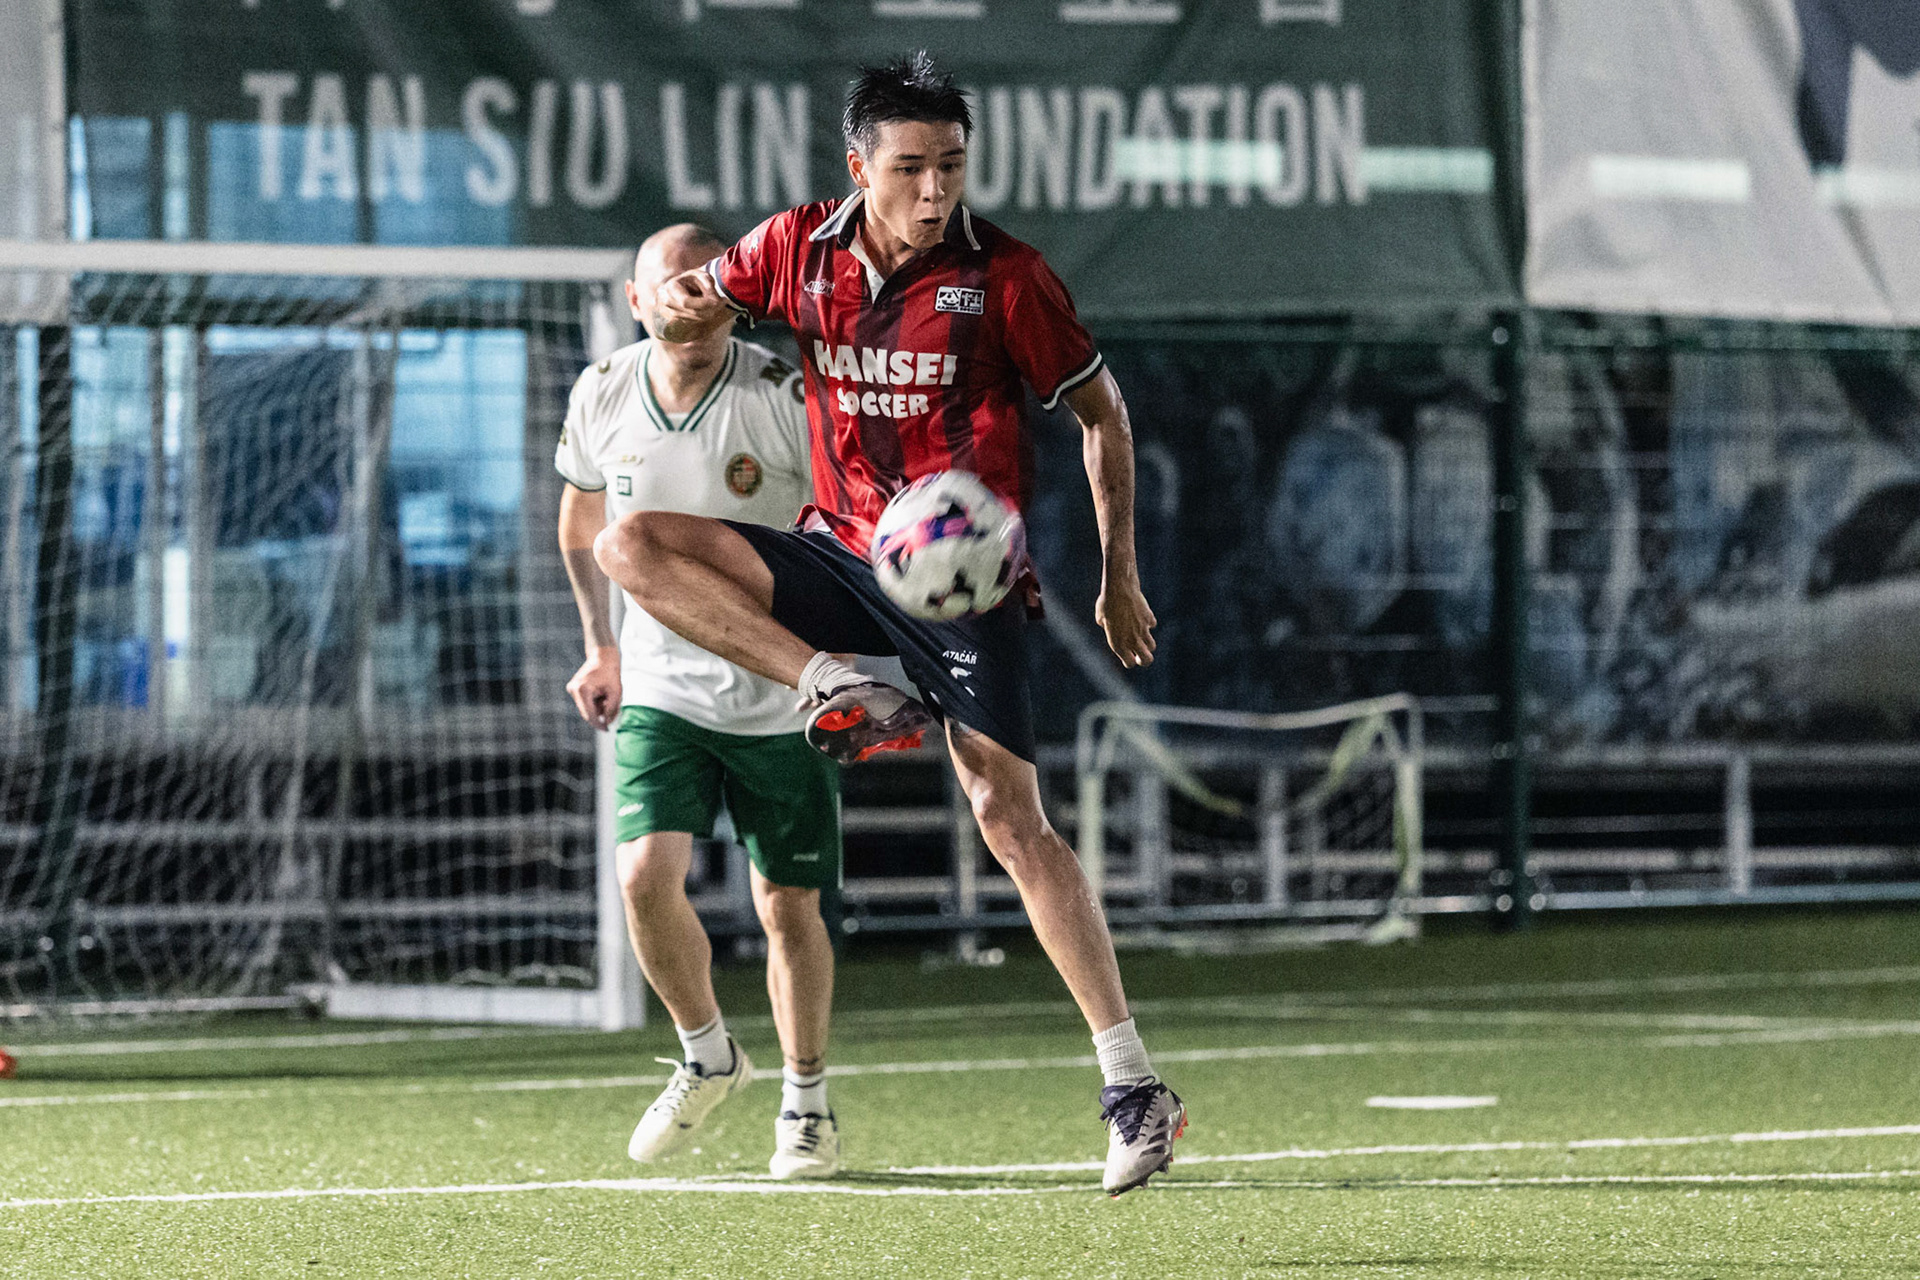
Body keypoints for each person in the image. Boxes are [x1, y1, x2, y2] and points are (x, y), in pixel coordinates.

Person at [593, 52, 1185, 1196]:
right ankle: (823, 680)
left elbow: (1103, 416)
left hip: (961, 584)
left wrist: (1117, 575)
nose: (934, 188)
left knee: (1010, 819)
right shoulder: (793, 250)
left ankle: (1133, 1084)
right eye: (910, 166)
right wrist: (679, 299)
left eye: (951, 165)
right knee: (635, 543)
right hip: (841, 553)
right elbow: (703, 294)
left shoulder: (1007, 279)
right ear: (858, 166)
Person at [557, 224, 843, 1181]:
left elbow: (840, 530)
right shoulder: (601, 389)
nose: (685, 302)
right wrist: (601, 645)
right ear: (637, 302)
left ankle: (807, 1104)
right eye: (664, 289)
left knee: (787, 905)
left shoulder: (781, 397)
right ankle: (707, 1052)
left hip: (780, 692)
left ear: (730, 294)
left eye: (702, 284)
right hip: (662, 687)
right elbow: (580, 523)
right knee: (642, 874)